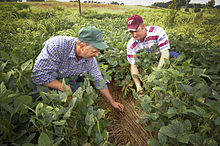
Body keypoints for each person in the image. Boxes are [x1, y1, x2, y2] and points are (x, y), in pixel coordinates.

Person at [31, 26, 124, 111]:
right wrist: (63, 87)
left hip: (67, 78)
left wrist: (112, 101)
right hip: (50, 77)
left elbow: (98, 80)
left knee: (78, 100)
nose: (96, 55)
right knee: (38, 96)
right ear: (82, 46)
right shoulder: (57, 46)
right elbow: (38, 76)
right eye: (94, 51)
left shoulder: (90, 60)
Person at [126, 15, 179, 94]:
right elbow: (133, 66)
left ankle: (179, 79)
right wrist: (138, 86)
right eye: (131, 32)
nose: (134, 35)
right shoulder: (131, 44)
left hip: (160, 56)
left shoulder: (157, 32)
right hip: (147, 63)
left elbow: (165, 53)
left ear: (143, 26)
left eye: (136, 31)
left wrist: (156, 73)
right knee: (145, 76)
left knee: (176, 57)